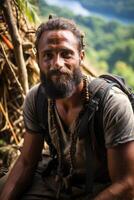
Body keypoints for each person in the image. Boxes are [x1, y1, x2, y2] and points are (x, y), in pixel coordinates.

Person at [0, 16, 134, 200]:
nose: (57, 63)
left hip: (103, 187)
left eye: (66, 54)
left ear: (81, 56)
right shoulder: (37, 98)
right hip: (57, 178)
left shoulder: (111, 105)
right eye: (48, 55)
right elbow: (26, 162)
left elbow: (126, 184)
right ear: (38, 59)